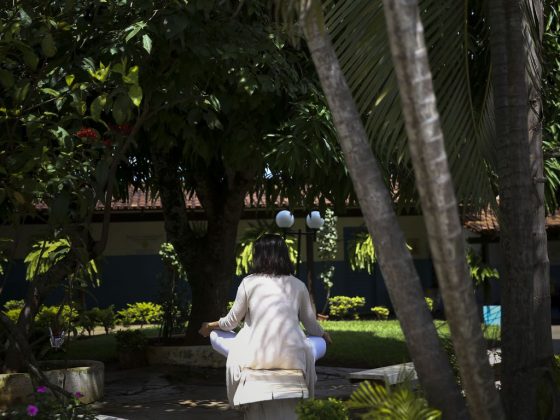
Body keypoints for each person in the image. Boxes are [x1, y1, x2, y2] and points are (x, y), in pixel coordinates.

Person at [198, 233, 332, 406]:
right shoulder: (299, 285)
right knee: (317, 342)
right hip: (292, 357)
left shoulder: (249, 283)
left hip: (254, 357)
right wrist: (324, 334)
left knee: (216, 335)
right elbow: (311, 324)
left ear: (259, 256)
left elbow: (230, 323)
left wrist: (210, 326)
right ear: (284, 255)